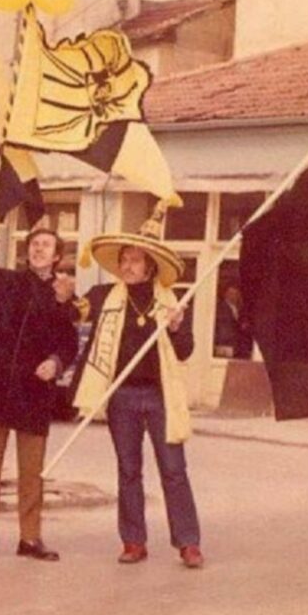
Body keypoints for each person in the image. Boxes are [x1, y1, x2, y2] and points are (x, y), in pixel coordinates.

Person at [68, 207, 202, 568]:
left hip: (160, 397)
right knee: (128, 470)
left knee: (173, 469)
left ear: (150, 267)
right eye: (124, 260)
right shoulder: (104, 296)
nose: (127, 266)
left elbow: (185, 351)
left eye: (135, 260)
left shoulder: (171, 302)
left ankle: (188, 543)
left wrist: (176, 329)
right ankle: (133, 541)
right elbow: (75, 312)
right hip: (121, 396)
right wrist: (65, 297)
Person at [0, 216, 78, 563]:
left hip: (34, 392)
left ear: (57, 256)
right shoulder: (5, 280)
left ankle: (30, 538)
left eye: (46, 245)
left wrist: (55, 362)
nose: (39, 249)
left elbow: (69, 343)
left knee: (31, 472)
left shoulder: (64, 295)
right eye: (34, 244)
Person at [214, 283, 253, 359]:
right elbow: (224, 327)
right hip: (225, 344)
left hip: (235, 345)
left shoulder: (237, 308)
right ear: (226, 294)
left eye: (236, 294)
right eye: (231, 293)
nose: (234, 296)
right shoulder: (222, 308)